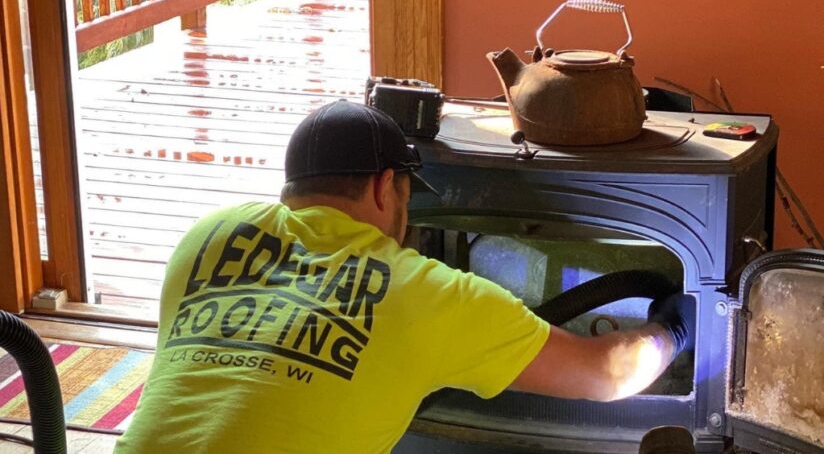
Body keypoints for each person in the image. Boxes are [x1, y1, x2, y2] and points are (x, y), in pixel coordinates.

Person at [115, 100, 694, 453]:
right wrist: (673, 330)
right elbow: (607, 374)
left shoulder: (207, 235)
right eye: (407, 195)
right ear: (381, 186)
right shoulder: (426, 293)